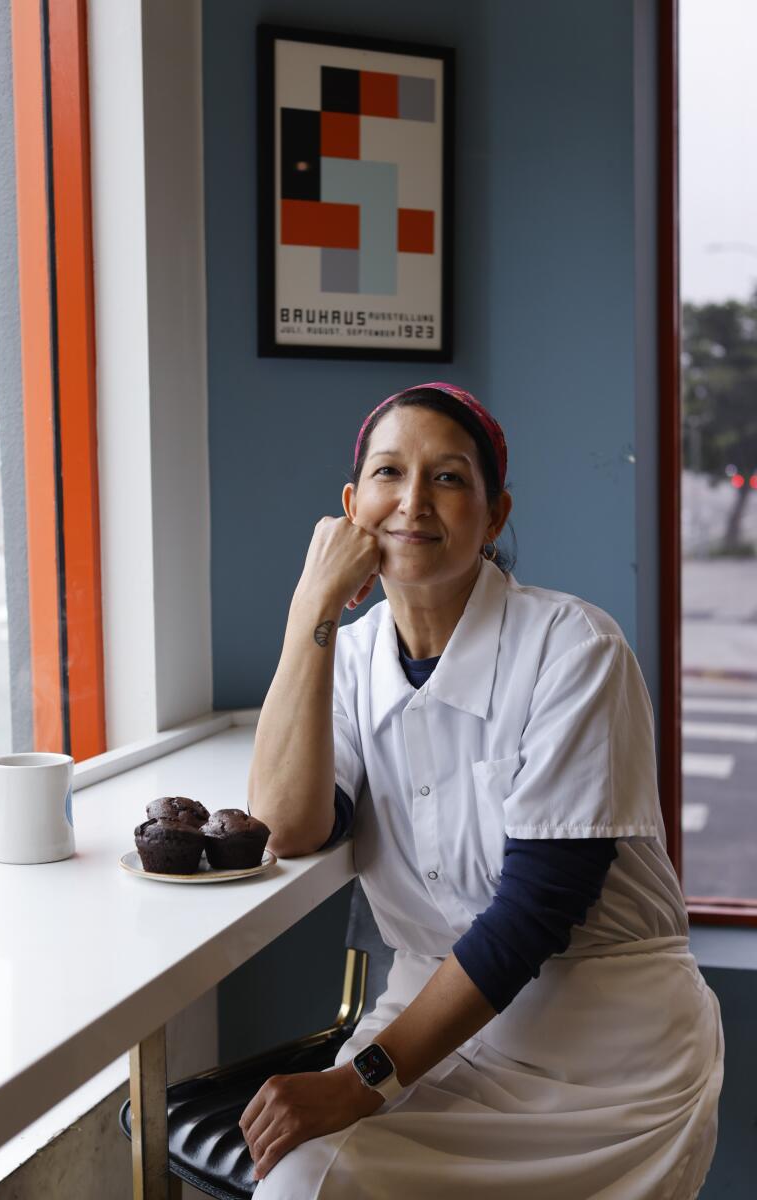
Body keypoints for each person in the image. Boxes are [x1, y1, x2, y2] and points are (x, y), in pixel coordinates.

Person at [241, 383, 724, 1200]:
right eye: (390, 473)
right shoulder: (349, 659)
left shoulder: (574, 647)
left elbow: (533, 913)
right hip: (437, 1028)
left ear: (495, 516)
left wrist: (360, 1082)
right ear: (354, 507)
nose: (415, 502)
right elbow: (284, 827)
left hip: (606, 1057)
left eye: (450, 478)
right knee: (299, 1186)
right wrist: (310, 607)